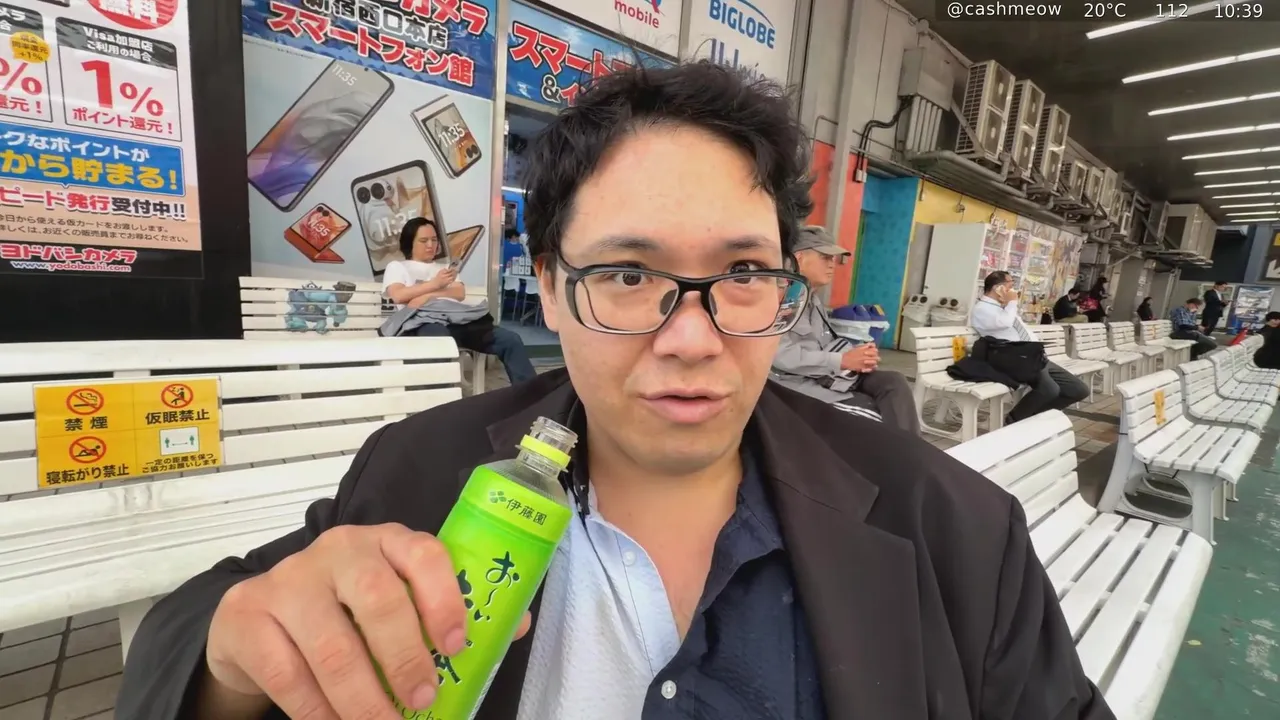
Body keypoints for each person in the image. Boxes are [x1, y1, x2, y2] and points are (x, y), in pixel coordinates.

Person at [117, 62, 1112, 720]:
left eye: (741, 274)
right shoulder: (418, 472)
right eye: (628, 274)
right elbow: (201, 634)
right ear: (551, 288)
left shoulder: (950, 528)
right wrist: (233, 666)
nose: (691, 340)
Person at [771, 225, 919, 434]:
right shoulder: (781, 300)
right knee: (871, 413)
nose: (832, 264)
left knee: (893, 382)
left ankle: (910, 451)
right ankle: (903, 450)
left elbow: (826, 342)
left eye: (834, 258)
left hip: (830, 375)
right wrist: (842, 361)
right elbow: (780, 357)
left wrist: (858, 355)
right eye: (825, 257)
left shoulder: (812, 298)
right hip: (798, 383)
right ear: (799, 258)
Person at [384, 217, 537, 384]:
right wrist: (436, 284)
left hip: (458, 321)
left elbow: (459, 292)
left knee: (510, 340)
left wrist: (426, 296)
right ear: (409, 242)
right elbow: (398, 295)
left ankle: (530, 393)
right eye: (423, 240)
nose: (430, 245)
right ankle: (438, 396)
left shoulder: (444, 267)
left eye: (434, 240)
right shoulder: (398, 267)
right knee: (441, 342)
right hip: (423, 323)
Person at [971, 271, 1090, 423]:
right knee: (1050, 389)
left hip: (1032, 357)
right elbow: (1004, 323)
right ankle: (1014, 420)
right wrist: (1012, 302)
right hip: (1013, 358)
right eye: (1010, 285)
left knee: (1078, 390)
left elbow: (1019, 329)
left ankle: (1033, 418)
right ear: (998, 288)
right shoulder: (982, 309)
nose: (1013, 290)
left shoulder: (1003, 308)